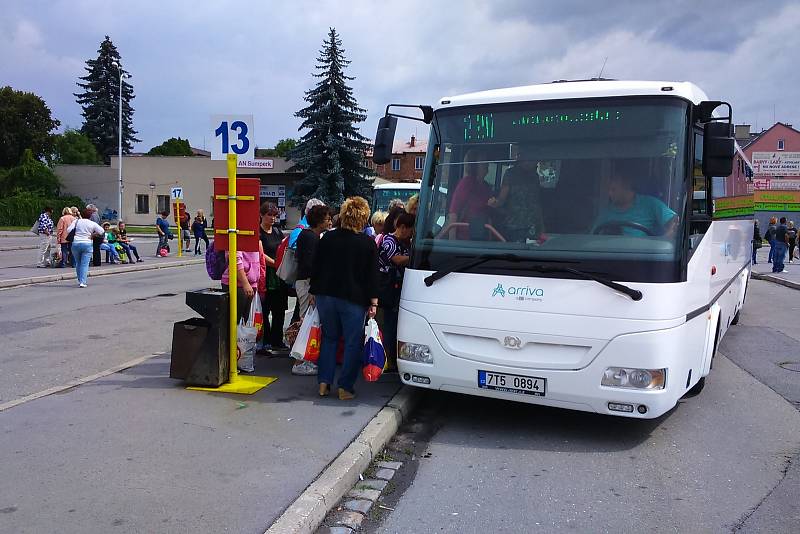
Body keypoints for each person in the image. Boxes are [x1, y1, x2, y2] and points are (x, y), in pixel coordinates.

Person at [310, 196, 379, 400]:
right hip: (353, 299)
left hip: (326, 296)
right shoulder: (367, 243)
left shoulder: (328, 238)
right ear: (363, 218)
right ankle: (345, 388)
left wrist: (314, 292)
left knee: (329, 339)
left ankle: (324, 382)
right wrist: (373, 302)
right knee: (351, 343)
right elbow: (372, 275)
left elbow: (317, 266)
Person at [291, 204, 331, 376]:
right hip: (307, 283)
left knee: (307, 319)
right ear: (319, 220)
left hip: (306, 282)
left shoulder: (310, 235)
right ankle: (300, 361)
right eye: (327, 218)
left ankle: (304, 357)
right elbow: (310, 264)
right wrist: (315, 288)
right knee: (305, 321)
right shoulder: (311, 237)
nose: (330, 221)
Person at [377, 212, 415, 372]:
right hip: (388, 290)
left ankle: (392, 358)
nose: (412, 233)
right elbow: (397, 259)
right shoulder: (389, 240)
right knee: (389, 325)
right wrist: (415, 254)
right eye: (411, 230)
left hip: (397, 289)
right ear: (403, 227)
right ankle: (387, 359)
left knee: (394, 324)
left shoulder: (403, 242)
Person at [592, 172, 678, 237]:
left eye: (613, 189)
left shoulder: (650, 204)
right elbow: (592, 236)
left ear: (626, 187)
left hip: (644, 258)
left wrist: (663, 243)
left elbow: (675, 221)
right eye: (609, 189)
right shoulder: (606, 212)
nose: (609, 193)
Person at [488, 157, 545, 242]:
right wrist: (494, 203)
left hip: (533, 228)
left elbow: (536, 203)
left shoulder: (535, 176)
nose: (536, 163)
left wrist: (541, 226)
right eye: (534, 160)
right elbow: (501, 200)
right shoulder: (510, 174)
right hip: (515, 228)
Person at [258, 202, 290, 354]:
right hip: (267, 275)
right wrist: (276, 264)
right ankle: (266, 341)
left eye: (274, 215)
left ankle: (277, 340)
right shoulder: (258, 233)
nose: (272, 218)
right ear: (262, 215)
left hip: (279, 275)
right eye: (269, 215)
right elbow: (260, 254)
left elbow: (284, 248)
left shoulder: (278, 231)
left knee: (280, 309)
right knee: (265, 310)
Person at [448, 149, 492, 240]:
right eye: (483, 161)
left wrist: (490, 239)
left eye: (487, 160)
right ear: (474, 165)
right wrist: (452, 242)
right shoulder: (466, 183)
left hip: (482, 237)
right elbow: (453, 213)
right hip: (465, 241)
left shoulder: (486, 186)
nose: (487, 163)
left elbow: (488, 215)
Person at [66, 208, 105, 287]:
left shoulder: (76, 221)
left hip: (76, 243)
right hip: (87, 243)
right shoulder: (92, 223)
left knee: (78, 263)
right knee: (84, 264)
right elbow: (101, 231)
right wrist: (93, 235)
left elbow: (68, 230)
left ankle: (79, 279)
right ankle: (83, 282)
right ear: (90, 216)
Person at [221, 248, 260, 323]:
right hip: (238, 284)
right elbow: (235, 259)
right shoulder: (237, 238)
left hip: (251, 283)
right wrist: (245, 283)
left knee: (246, 321)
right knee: (236, 322)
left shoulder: (255, 239)